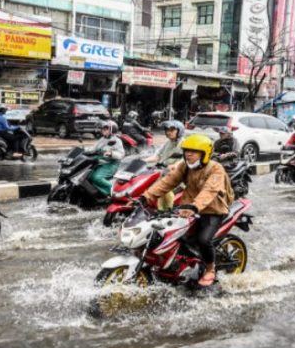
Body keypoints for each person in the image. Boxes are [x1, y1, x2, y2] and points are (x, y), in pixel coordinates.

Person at [141, 134, 234, 287]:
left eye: (193, 151)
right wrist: (146, 196)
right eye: (186, 151)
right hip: (187, 208)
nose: (188, 154)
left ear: (204, 153)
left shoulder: (216, 169)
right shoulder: (184, 166)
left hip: (213, 209)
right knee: (171, 234)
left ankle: (211, 268)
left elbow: (209, 191)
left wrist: (195, 206)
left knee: (203, 240)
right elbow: (167, 182)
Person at [89, 120, 125, 197]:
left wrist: (111, 154)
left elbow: (121, 154)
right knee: (88, 175)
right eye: (103, 129)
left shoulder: (116, 140)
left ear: (112, 130)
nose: (103, 130)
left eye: (106, 129)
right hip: (101, 163)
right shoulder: (102, 139)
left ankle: (113, 190)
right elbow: (93, 149)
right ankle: (98, 192)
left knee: (97, 177)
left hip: (111, 164)